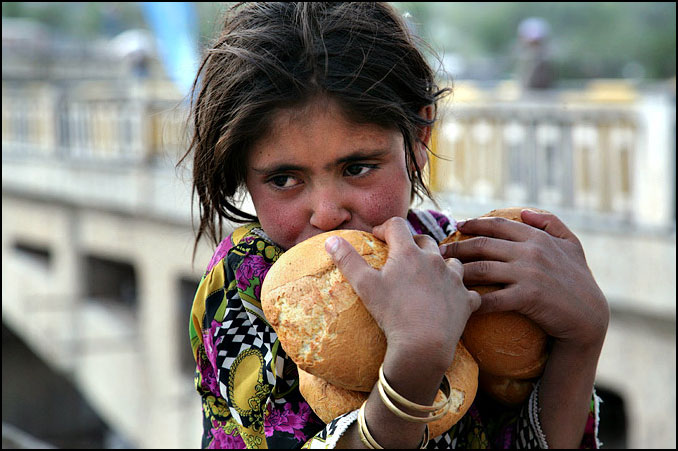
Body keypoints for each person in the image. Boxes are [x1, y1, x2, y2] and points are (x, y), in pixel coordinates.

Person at [180, 3, 609, 449]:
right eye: (283, 180)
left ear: (418, 139)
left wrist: (582, 340)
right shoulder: (247, 280)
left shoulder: (455, 256)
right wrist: (415, 361)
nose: (326, 213)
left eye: (358, 168)